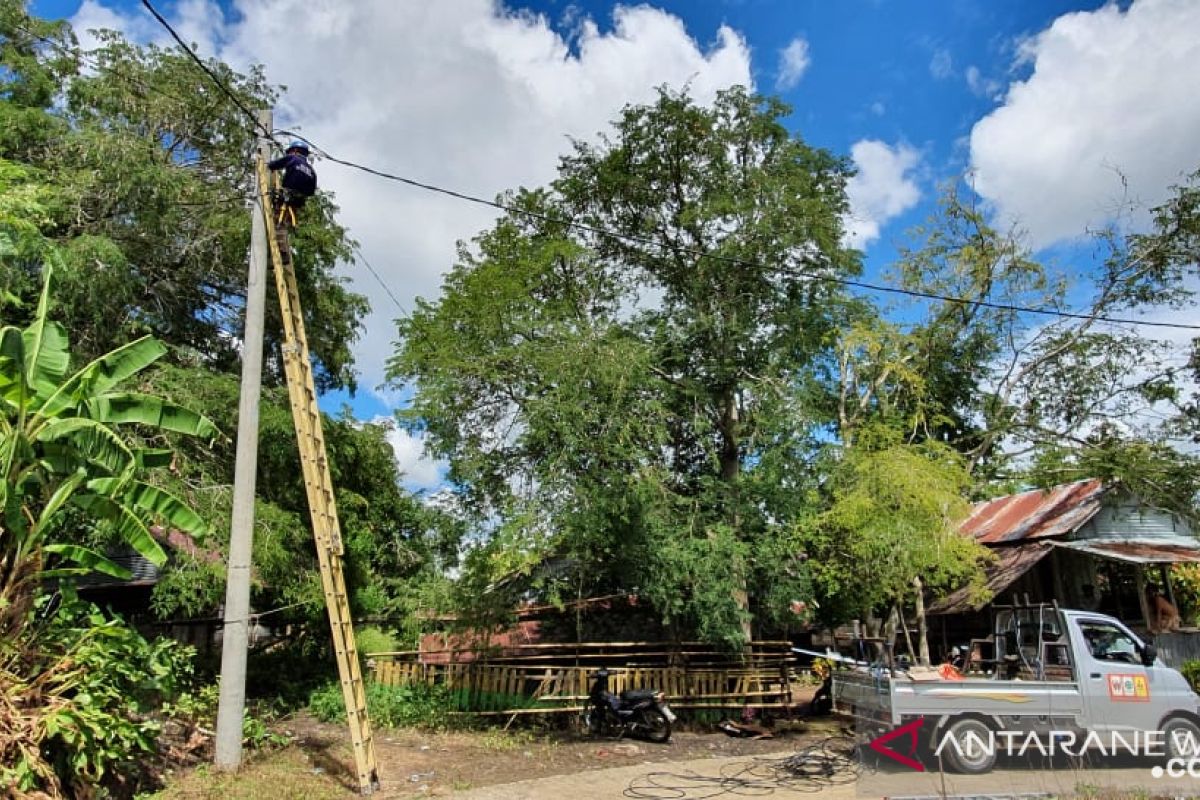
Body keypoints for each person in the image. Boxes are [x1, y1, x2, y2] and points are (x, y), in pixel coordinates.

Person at [268, 140, 317, 227]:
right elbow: (311, 192)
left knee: (271, 195)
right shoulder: (312, 171)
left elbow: (275, 165)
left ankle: (278, 221)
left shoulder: (292, 158)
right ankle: (289, 221)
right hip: (299, 200)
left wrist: (269, 165)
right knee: (291, 204)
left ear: (295, 150)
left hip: (286, 195)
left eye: (289, 152)